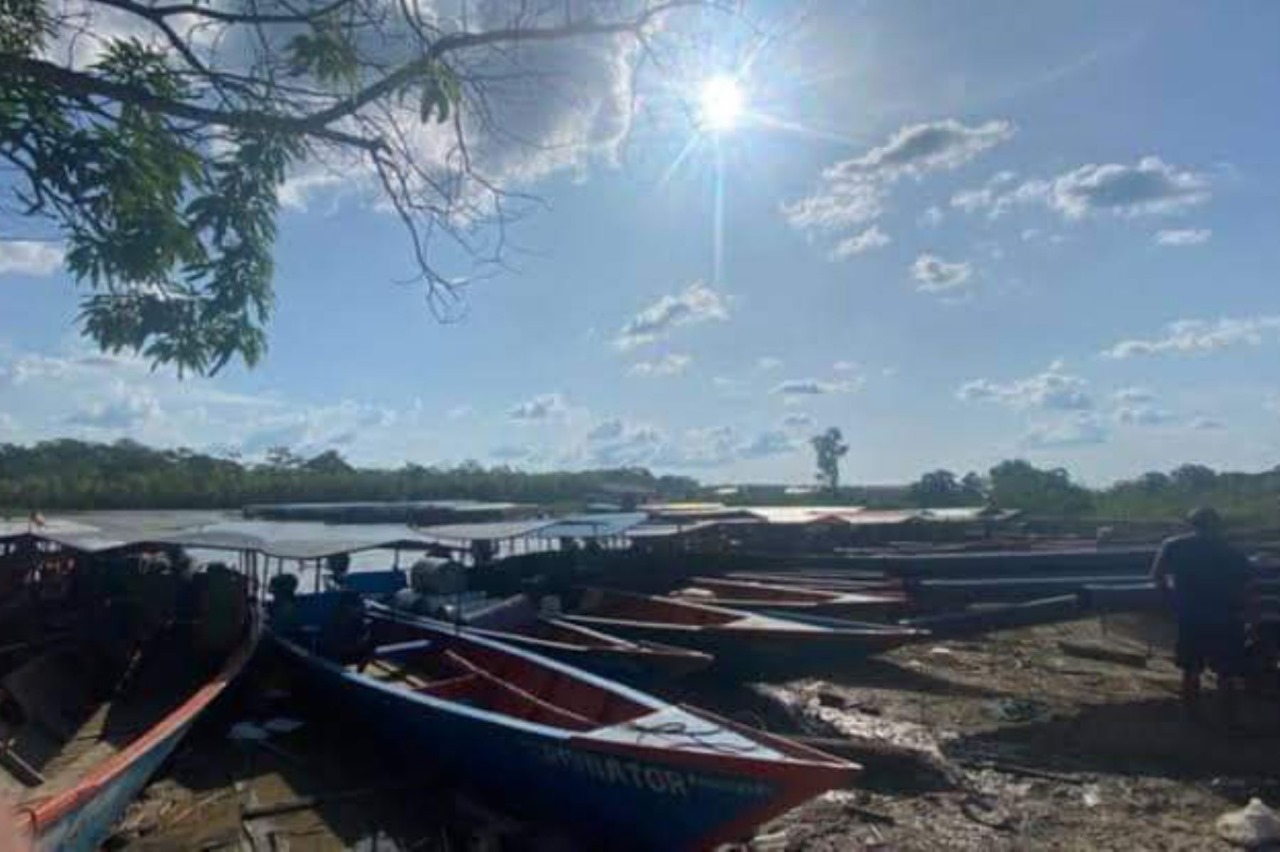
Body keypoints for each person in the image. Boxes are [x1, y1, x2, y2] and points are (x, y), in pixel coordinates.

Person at [1150, 507, 1254, 724]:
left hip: (1191, 618)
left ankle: (1192, 718)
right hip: (1225, 619)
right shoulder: (1231, 551)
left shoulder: (1174, 545)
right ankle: (1227, 719)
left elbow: (1157, 576)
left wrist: (1171, 601)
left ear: (1191, 524)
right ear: (1217, 524)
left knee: (1191, 670)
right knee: (1226, 673)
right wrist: (1249, 615)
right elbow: (1245, 588)